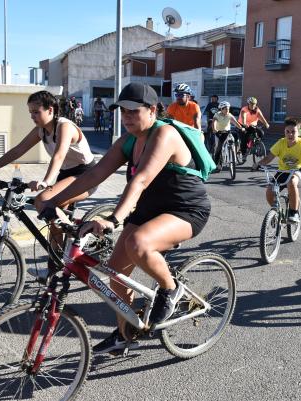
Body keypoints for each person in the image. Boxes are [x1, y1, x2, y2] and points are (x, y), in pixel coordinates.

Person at [41, 82, 211, 353]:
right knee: (116, 275)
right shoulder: (129, 140)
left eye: (133, 111)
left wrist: (114, 218)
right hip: (148, 210)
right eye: (123, 111)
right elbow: (94, 175)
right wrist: (52, 201)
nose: (127, 117)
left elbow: (141, 180)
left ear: (153, 110)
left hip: (185, 210)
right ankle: (125, 333)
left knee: (139, 244)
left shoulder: (164, 133)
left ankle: (171, 288)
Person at [0, 90, 96, 277]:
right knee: (53, 219)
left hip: (86, 175)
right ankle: (56, 267)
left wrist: (46, 182)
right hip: (66, 174)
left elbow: (59, 155)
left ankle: (73, 242)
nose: (32, 116)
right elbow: (18, 150)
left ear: (51, 110)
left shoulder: (65, 126)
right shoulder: (42, 130)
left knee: (44, 200)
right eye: (30, 112)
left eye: (36, 112)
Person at [252, 117, 301, 223]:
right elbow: (268, 158)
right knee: (269, 191)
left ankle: (293, 212)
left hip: (298, 171)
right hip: (283, 172)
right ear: (284, 132)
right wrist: (258, 164)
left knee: (292, 182)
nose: (290, 134)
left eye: (293, 132)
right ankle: (276, 212)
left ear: (298, 132)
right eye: (288, 132)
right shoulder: (281, 143)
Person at [211, 101, 245, 169]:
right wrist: (214, 129)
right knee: (219, 148)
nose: (227, 110)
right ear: (221, 109)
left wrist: (241, 128)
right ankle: (216, 164)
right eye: (226, 109)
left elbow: (235, 122)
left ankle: (235, 153)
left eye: (228, 109)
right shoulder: (217, 115)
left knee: (234, 139)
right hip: (219, 132)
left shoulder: (229, 115)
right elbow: (214, 122)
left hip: (227, 132)